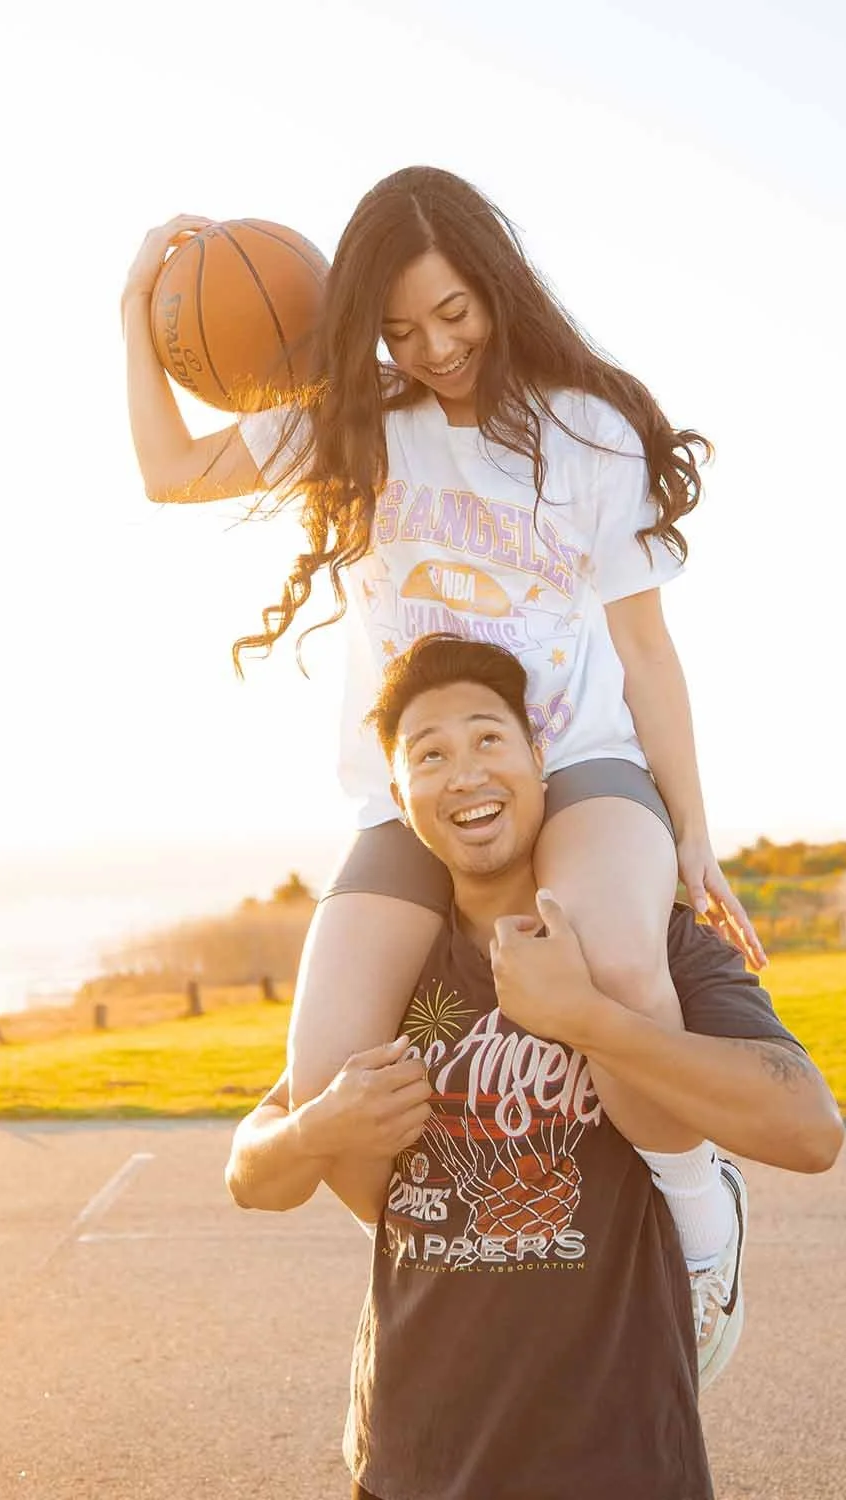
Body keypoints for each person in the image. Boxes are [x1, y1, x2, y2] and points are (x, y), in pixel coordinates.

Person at [122, 169, 768, 1214]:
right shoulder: (354, 422)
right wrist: (131, 315)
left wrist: (692, 832)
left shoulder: (591, 433)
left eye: (453, 312)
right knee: (331, 1069)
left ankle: (699, 1217)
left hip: (577, 763)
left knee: (617, 969)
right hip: (415, 794)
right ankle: (453, 1261)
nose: (433, 347)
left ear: (497, 286)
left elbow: (646, 653)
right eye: (398, 328)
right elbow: (170, 470)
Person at [226, 633, 844, 1500]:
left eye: (489, 739)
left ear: (540, 762)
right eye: (430, 756)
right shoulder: (389, 970)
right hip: (407, 1464)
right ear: (401, 800)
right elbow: (251, 1174)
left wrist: (587, 1021)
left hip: (620, 1463)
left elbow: (811, 1132)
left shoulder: (649, 945)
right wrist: (319, 1126)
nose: (466, 773)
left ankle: (709, 1221)